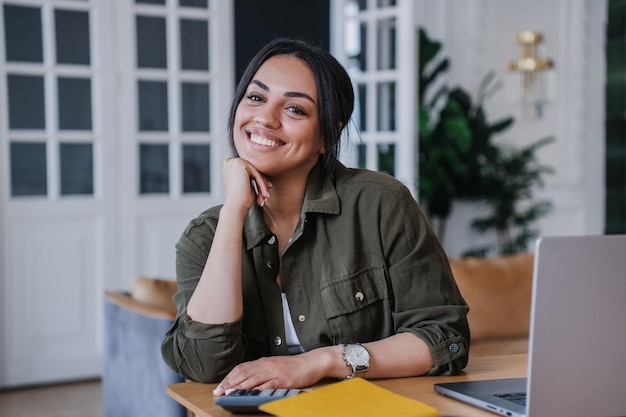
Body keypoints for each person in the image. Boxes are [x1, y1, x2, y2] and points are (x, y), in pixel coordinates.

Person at [161, 37, 470, 395]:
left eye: (295, 109)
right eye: (256, 97)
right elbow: (204, 364)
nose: (264, 118)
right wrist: (234, 211)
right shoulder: (204, 235)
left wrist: (320, 361)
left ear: (328, 134)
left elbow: (444, 339)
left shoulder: (380, 204)